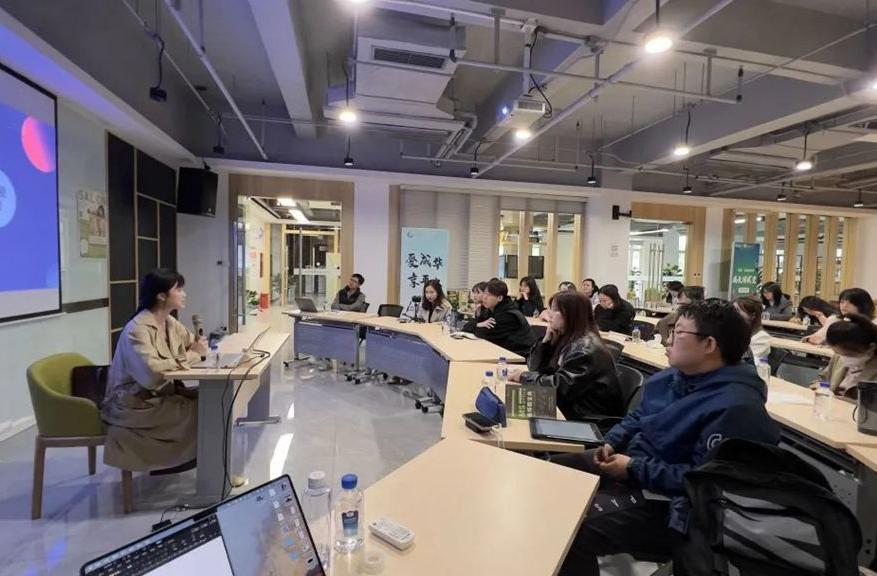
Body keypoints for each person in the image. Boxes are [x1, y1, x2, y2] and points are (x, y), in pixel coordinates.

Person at [553, 300, 780, 576]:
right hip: (636, 469)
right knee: (550, 471)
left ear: (709, 345)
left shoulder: (737, 408)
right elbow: (639, 416)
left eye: (678, 333)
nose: (667, 340)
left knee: (574, 527)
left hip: (673, 503)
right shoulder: (673, 377)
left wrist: (633, 468)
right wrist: (611, 442)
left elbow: (704, 483)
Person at [102, 269, 207, 473]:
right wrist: (194, 355)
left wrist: (196, 348)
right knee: (206, 409)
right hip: (133, 403)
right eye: (179, 289)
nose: (184, 294)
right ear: (161, 296)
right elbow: (151, 374)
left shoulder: (169, 322)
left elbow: (192, 344)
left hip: (159, 395)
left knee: (212, 400)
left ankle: (196, 461)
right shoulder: (137, 329)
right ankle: (182, 462)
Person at [509, 291, 624, 421]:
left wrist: (523, 377)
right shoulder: (566, 337)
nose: (549, 314)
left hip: (586, 419)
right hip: (568, 407)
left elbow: (558, 389)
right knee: (510, 405)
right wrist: (545, 343)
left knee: (514, 415)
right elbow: (534, 368)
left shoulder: (585, 349)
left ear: (571, 314)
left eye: (555, 310)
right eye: (550, 308)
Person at [814, 314, 877, 400]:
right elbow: (822, 379)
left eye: (849, 355)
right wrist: (818, 387)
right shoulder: (838, 357)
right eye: (837, 353)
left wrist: (849, 402)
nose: (844, 358)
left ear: (871, 347)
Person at [470, 279, 536, 357]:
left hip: (520, 356)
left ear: (500, 298)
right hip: (504, 353)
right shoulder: (490, 310)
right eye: (484, 293)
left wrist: (476, 326)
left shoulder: (508, 315)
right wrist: (478, 325)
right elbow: (467, 326)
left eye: (489, 295)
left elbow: (485, 335)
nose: (484, 297)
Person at [733, 296, 772, 361]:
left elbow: (747, 361)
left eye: (737, 310)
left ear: (752, 315)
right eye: (733, 310)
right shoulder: (738, 331)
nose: (733, 314)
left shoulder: (761, 337)